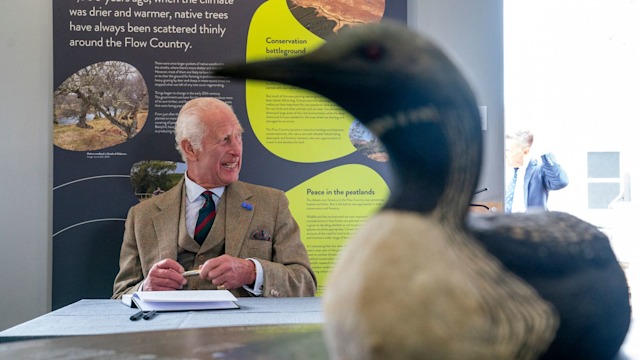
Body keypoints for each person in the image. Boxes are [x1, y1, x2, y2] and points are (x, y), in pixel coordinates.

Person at [112, 98, 317, 299]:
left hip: (244, 332)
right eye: (224, 139)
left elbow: (305, 283)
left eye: (238, 137)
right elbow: (121, 295)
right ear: (190, 149)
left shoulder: (272, 204)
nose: (236, 150)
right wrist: (144, 289)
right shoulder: (141, 216)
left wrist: (252, 272)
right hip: (169, 331)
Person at [504, 129, 569, 213]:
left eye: (507, 150)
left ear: (525, 151)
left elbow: (560, 182)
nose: (504, 154)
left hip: (531, 224)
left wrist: (545, 152)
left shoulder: (539, 170)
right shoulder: (502, 171)